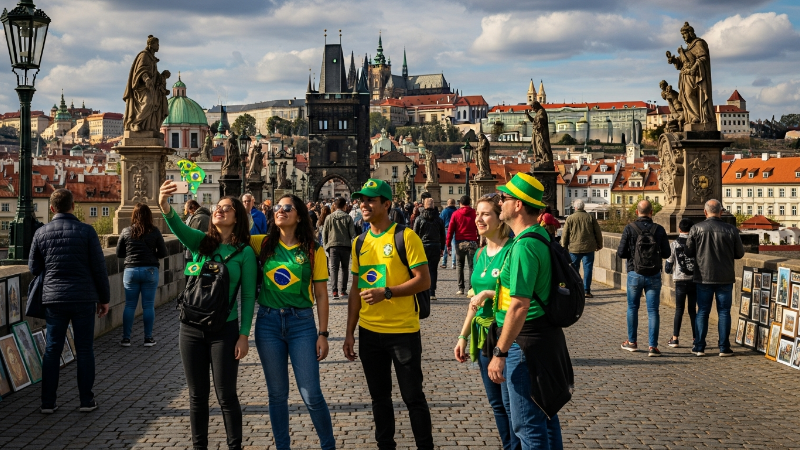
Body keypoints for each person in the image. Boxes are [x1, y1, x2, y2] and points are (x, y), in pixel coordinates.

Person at [159, 180, 256, 450]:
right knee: (197, 396)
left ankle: (234, 446)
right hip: (191, 328)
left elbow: (248, 297)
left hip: (224, 331)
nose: (219, 210)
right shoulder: (201, 242)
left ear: (237, 217)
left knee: (226, 396)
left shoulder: (245, 252)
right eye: (217, 207)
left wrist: (244, 335)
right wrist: (163, 203)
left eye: (226, 208)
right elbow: (176, 226)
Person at [343, 179, 433, 450]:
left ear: (386, 204)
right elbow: (355, 289)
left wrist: (388, 292)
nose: (364, 205)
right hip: (370, 332)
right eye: (362, 200)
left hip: (402, 331)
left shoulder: (406, 236)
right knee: (379, 398)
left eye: (371, 200)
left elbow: (424, 280)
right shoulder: (359, 242)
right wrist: (349, 332)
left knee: (412, 396)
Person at [490, 173, 572, 448]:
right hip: (541, 337)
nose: (499, 202)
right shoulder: (538, 236)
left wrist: (500, 352)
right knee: (545, 417)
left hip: (524, 343)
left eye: (504, 198)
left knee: (527, 427)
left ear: (518, 205)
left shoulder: (525, 245)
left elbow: (519, 305)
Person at [250, 195, 336, 449]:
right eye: (278, 207)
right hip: (268, 323)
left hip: (301, 324)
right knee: (277, 395)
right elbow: (227, 234)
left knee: (311, 394)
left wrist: (323, 334)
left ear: (299, 216)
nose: (281, 210)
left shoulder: (313, 249)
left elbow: (321, 294)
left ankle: (328, 446)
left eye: (287, 207)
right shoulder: (262, 243)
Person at [30, 189, 110, 414]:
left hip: (54, 298)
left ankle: (48, 403)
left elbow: (33, 267)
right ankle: (86, 401)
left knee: (52, 350)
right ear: (73, 206)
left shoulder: (41, 233)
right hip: (83, 297)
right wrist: (104, 299)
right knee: (84, 349)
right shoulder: (87, 231)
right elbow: (99, 268)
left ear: (52, 208)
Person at [453, 194, 519, 450]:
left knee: (511, 405)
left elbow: (518, 296)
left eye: (485, 214)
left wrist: (490, 293)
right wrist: (463, 336)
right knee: (496, 404)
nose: (478, 219)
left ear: (499, 219)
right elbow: (474, 300)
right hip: (482, 337)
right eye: (477, 214)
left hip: (504, 334)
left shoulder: (511, 250)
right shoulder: (480, 253)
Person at [685, 199, 745, 357]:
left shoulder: (696, 228)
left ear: (705, 212)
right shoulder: (731, 229)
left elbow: (688, 251)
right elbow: (739, 253)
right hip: (725, 277)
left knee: (702, 311)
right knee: (724, 312)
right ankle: (724, 347)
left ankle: (699, 347)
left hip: (703, 276)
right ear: (721, 212)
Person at [616, 200, 671, 357]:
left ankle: (632, 342)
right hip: (653, 274)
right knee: (653, 310)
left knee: (632, 307)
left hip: (635, 273)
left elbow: (621, 253)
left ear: (637, 212)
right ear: (651, 212)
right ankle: (653, 347)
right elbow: (667, 253)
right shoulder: (659, 229)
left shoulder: (630, 228)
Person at [115, 203, 168, 347]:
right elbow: (163, 253)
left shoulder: (126, 231)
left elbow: (119, 253)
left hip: (131, 271)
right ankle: (148, 339)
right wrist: (152, 255)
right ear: (149, 216)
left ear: (134, 215)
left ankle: (126, 339)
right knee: (148, 306)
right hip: (149, 270)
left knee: (130, 305)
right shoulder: (155, 231)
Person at [561, 199, 603, 298]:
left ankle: (576, 290)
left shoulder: (570, 218)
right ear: (583, 207)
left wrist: (564, 247)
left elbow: (565, 235)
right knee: (588, 269)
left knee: (574, 270)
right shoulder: (590, 217)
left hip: (574, 248)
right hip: (589, 247)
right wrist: (599, 244)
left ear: (575, 207)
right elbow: (598, 232)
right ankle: (586, 290)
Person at [666, 218, 697, 349]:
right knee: (692, 310)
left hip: (680, 280)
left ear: (679, 229)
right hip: (694, 280)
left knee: (679, 309)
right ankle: (696, 338)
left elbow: (668, 267)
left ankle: (675, 339)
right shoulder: (696, 243)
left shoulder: (674, 244)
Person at [322, 197, 357, 300]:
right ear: (344, 206)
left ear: (335, 206)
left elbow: (324, 233)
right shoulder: (348, 217)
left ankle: (334, 291)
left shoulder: (329, 217)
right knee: (345, 268)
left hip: (333, 246)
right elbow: (352, 234)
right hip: (345, 246)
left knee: (334, 268)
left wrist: (326, 246)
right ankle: (343, 290)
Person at [413, 197, 446, 300]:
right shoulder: (439, 219)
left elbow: (415, 234)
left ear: (424, 205)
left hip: (422, 246)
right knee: (433, 270)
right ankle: (432, 292)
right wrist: (442, 248)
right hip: (435, 246)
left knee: (421, 269)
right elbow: (443, 235)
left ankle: (423, 291)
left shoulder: (419, 218)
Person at [447, 195, 478, 295]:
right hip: (472, 241)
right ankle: (471, 288)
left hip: (459, 242)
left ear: (460, 203)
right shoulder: (474, 213)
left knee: (460, 265)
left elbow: (450, 230)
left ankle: (461, 288)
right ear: (470, 202)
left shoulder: (456, 214)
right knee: (471, 266)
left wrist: (448, 244)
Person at [440, 198, 458, 269]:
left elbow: (441, 221)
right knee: (454, 246)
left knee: (445, 246)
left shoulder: (444, 211)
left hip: (446, 229)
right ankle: (453, 263)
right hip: (455, 230)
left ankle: (444, 262)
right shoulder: (456, 211)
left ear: (447, 204)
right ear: (454, 204)